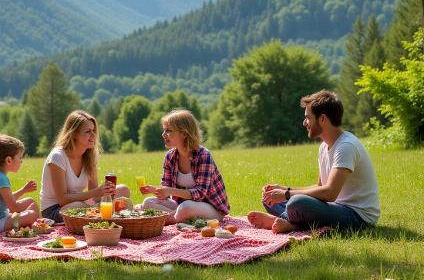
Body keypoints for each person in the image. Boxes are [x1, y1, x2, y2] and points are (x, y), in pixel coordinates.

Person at [248, 90, 380, 233]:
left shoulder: (346, 146)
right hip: (334, 208)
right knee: (270, 199)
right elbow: (320, 186)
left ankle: (291, 223)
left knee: (297, 203)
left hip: (357, 216)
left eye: (308, 118)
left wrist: (286, 195)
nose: (304, 123)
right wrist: (284, 189)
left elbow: (330, 193)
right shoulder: (324, 146)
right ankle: (293, 222)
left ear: (322, 119)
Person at [140, 109, 230, 224]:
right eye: (164, 130)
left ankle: (165, 220)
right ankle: (181, 218)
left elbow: (200, 193)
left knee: (186, 207)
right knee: (148, 202)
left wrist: (170, 191)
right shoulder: (170, 157)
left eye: (169, 131)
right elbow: (167, 188)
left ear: (184, 133)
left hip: (211, 208)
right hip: (181, 205)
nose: (163, 135)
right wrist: (156, 190)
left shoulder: (203, 155)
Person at [40, 110, 130, 223]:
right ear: (73, 134)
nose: (93, 135)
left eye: (93, 131)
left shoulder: (91, 155)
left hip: (82, 205)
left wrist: (105, 192)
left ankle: (100, 214)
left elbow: (94, 194)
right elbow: (62, 199)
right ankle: (105, 214)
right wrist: (96, 193)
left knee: (123, 190)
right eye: (88, 131)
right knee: (79, 206)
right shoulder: (58, 157)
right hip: (55, 210)